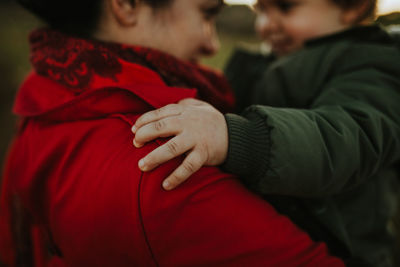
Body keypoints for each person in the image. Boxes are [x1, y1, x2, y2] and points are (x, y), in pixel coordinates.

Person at [0, 0, 345, 266]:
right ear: (128, 5)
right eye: (206, 14)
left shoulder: (42, 105)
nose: (212, 45)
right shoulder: (164, 163)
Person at [131, 0, 400, 265]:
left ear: (353, 7)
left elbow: (343, 140)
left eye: (285, 7)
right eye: (262, 9)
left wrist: (234, 135)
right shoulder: (262, 66)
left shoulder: (374, 66)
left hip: (340, 252)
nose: (265, 26)